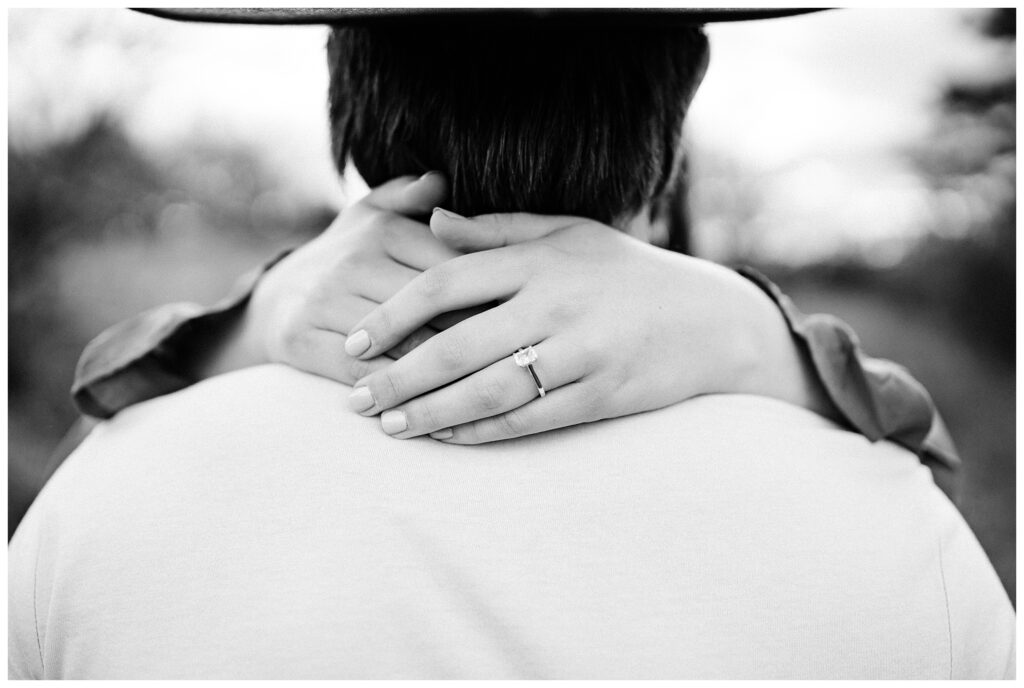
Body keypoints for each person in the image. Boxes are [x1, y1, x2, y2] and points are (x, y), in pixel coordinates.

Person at [10, 9, 1010, 679]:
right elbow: (924, 453)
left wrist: (257, 311)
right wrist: (756, 334)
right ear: (665, 149)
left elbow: (102, 408)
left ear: (344, 120)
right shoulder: (894, 528)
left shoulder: (105, 494)